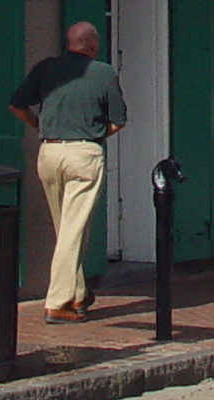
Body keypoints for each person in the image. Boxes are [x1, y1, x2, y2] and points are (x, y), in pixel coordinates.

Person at [9, 22, 127, 322]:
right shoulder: (103, 72)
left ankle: (76, 293)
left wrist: (38, 125)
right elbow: (118, 120)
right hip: (83, 152)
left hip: (49, 151)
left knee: (66, 228)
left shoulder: (46, 67)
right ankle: (58, 302)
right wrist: (94, 135)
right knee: (73, 231)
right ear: (92, 44)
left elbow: (17, 105)